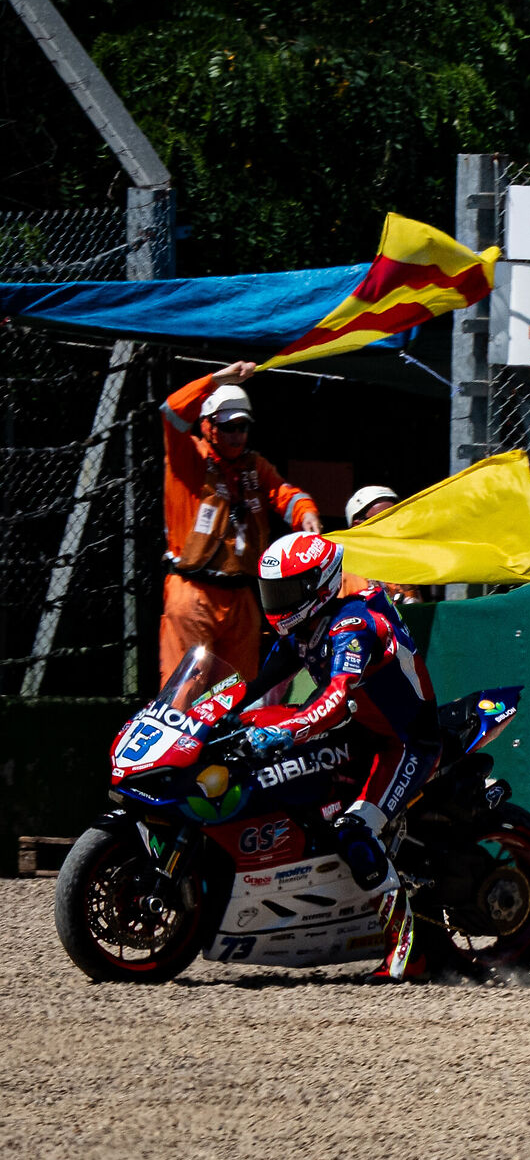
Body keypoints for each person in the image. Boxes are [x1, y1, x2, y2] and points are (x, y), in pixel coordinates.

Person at [233, 531, 442, 982]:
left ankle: (408, 949)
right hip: (364, 732)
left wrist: (286, 731)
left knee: (353, 829)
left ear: (318, 585)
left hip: (407, 741)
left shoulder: (351, 623)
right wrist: (205, 713)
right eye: (272, 590)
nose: (277, 601)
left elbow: (335, 697)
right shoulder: (301, 629)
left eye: (287, 591)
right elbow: (249, 684)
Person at [158, 361, 320, 686]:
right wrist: (215, 380)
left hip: (241, 597)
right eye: (229, 426)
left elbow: (285, 494)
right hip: (193, 593)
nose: (237, 435)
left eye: (243, 427)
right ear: (208, 426)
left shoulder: (254, 467)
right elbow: (171, 412)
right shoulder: (187, 459)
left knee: (236, 694)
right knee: (182, 692)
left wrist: (307, 514)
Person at [339, 484, 424, 603]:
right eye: (383, 518)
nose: (392, 526)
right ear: (358, 525)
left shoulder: (403, 565)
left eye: (395, 518)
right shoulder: (344, 573)